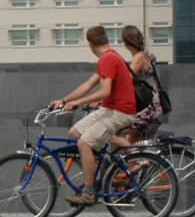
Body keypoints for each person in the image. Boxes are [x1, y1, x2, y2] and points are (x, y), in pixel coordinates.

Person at [48, 25, 137, 206]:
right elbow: (88, 84)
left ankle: (89, 192)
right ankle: (96, 174)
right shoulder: (109, 57)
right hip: (109, 109)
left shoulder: (108, 59)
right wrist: (64, 101)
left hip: (120, 112)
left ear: (90, 44)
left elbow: (105, 91)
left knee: (84, 143)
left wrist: (77, 103)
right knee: (74, 133)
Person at [109, 24, 165, 149]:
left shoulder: (139, 57)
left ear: (126, 42)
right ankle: (147, 164)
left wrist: (107, 96)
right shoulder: (145, 55)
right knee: (138, 147)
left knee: (115, 135)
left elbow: (125, 81)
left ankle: (142, 163)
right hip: (153, 107)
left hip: (148, 109)